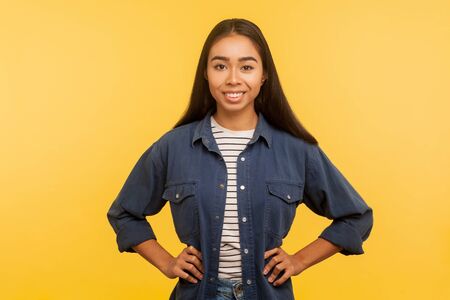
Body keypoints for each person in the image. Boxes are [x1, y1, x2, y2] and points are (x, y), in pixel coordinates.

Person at [106, 18, 374, 300]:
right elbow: (124, 213)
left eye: (246, 67)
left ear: (263, 75)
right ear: (206, 74)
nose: (233, 78)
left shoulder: (296, 149)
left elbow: (356, 217)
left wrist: (299, 260)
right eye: (220, 66)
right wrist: (167, 263)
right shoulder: (173, 147)